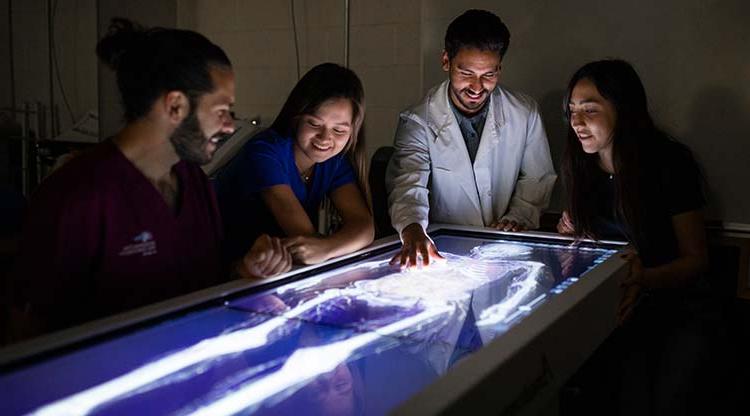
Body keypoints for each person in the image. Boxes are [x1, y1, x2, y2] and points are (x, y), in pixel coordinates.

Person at [6, 19, 291, 339]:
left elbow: (205, 281)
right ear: (175, 106)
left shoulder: (193, 183)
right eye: (222, 110)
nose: (228, 126)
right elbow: (25, 332)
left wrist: (245, 270)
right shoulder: (76, 195)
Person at [557, 59, 717, 414]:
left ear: (623, 109)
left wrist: (643, 279)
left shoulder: (668, 162)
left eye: (589, 110)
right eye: (571, 111)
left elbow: (696, 259)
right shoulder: (582, 167)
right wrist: (572, 236)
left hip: (677, 309)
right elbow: (590, 245)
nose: (576, 122)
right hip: (614, 309)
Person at [385, 9, 556, 268]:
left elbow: (537, 177)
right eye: (466, 73)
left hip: (506, 248)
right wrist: (412, 229)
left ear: (500, 67)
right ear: (446, 61)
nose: (477, 88)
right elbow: (408, 185)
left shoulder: (524, 112)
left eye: (489, 75)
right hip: (446, 253)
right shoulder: (417, 120)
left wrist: (519, 215)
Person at [215, 63, 374, 265]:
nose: (325, 138)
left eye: (339, 131)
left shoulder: (333, 161)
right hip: (226, 268)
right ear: (295, 117)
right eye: (314, 124)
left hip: (271, 268)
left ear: (353, 132)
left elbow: (364, 227)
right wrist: (326, 247)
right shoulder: (265, 152)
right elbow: (305, 240)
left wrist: (326, 248)